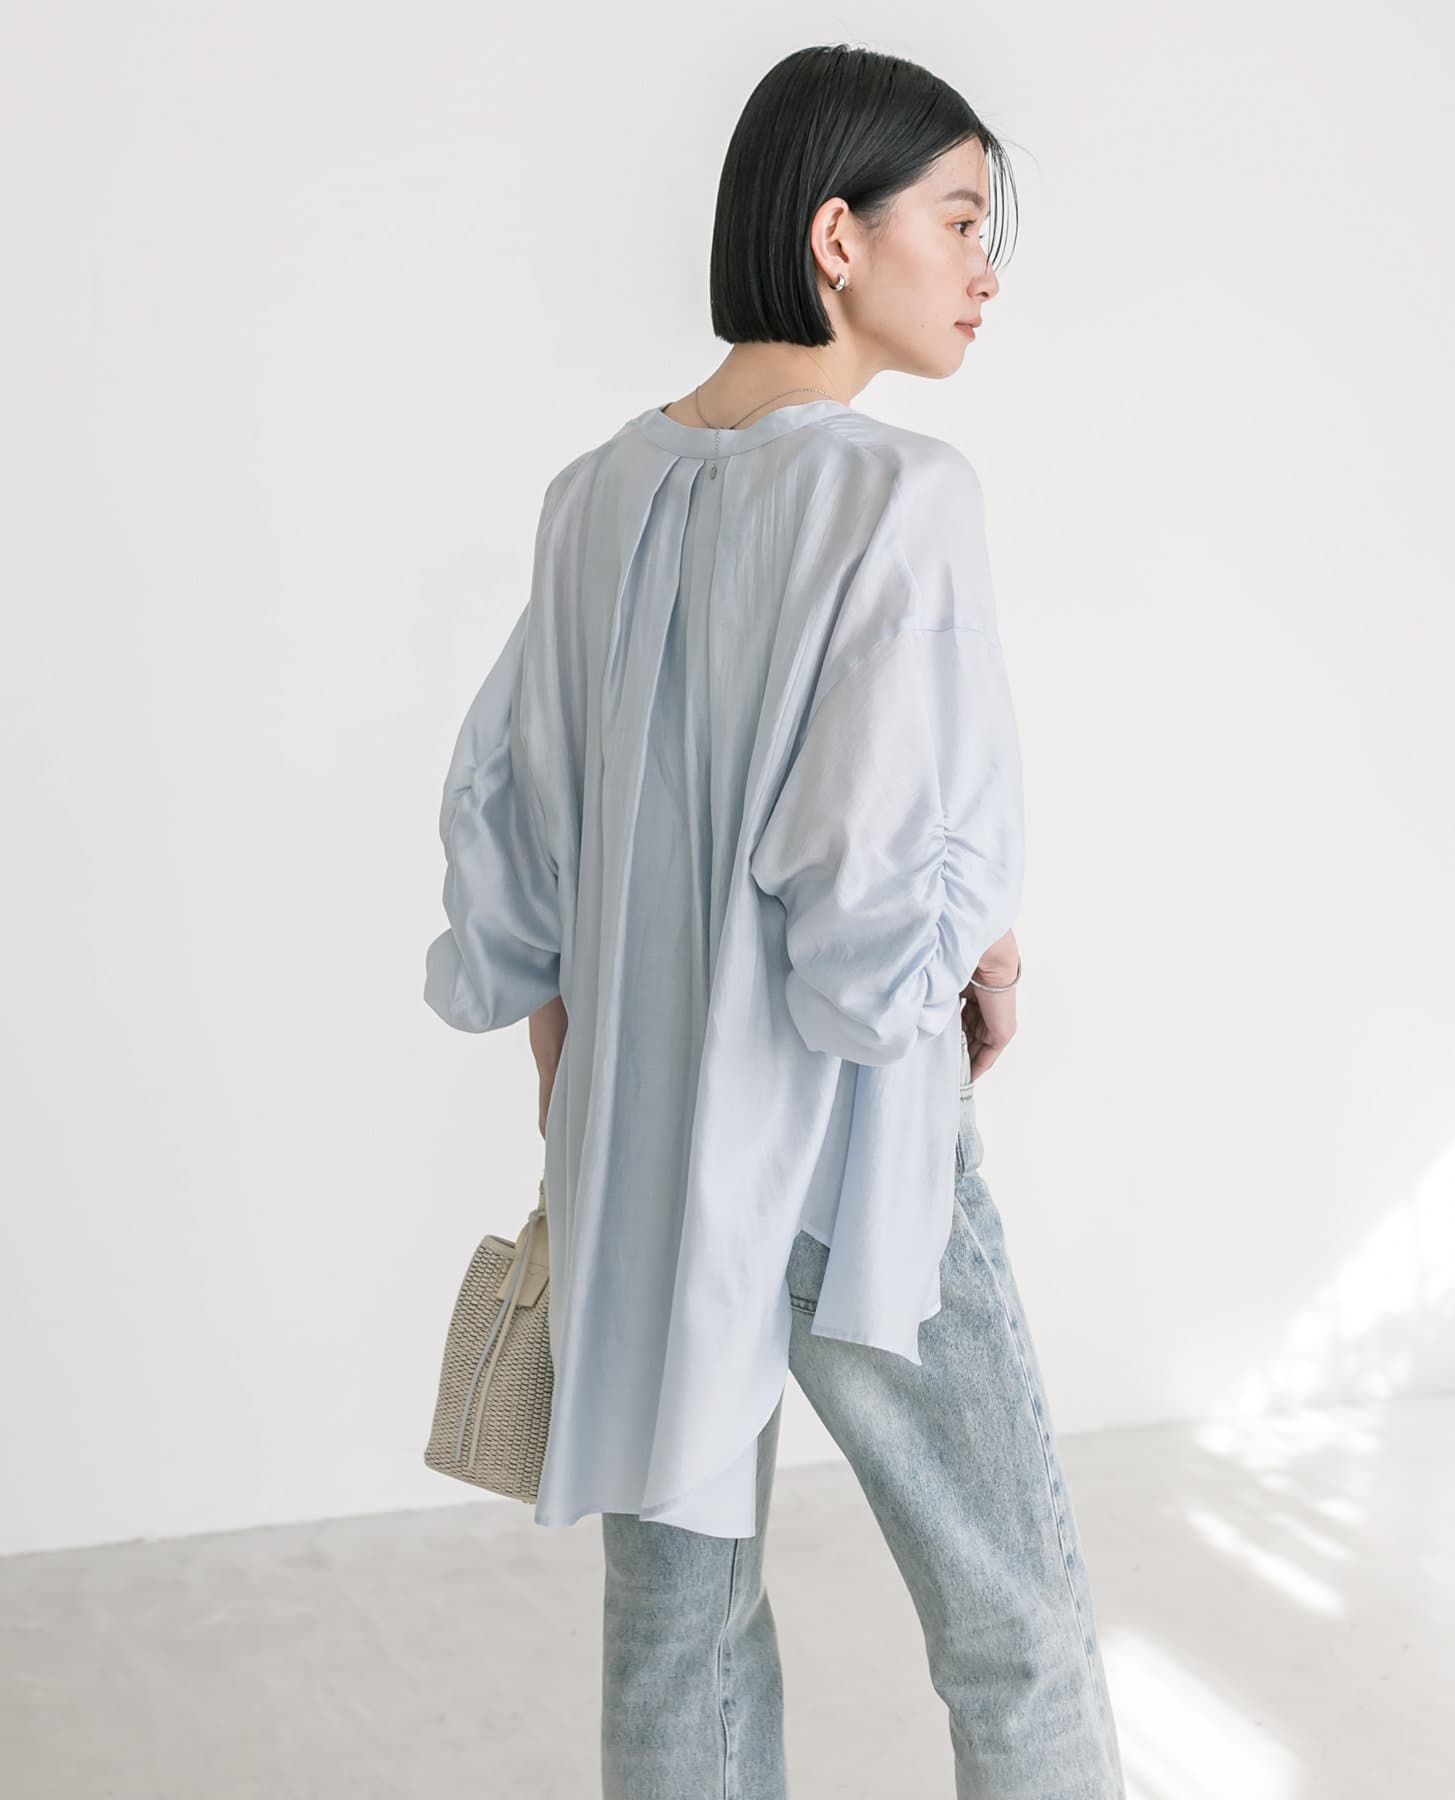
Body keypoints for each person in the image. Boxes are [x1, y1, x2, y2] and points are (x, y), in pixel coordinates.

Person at [423, 39, 1126, 1800]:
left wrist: (581, 1099)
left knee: (680, 1631)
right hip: (850, 1146)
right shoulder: (899, 496)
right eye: (957, 219)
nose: (983, 268)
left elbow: (520, 838)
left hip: (642, 1147)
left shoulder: (591, 496)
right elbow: (874, 899)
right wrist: (979, 954)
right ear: (836, 236)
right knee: (1015, 1619)